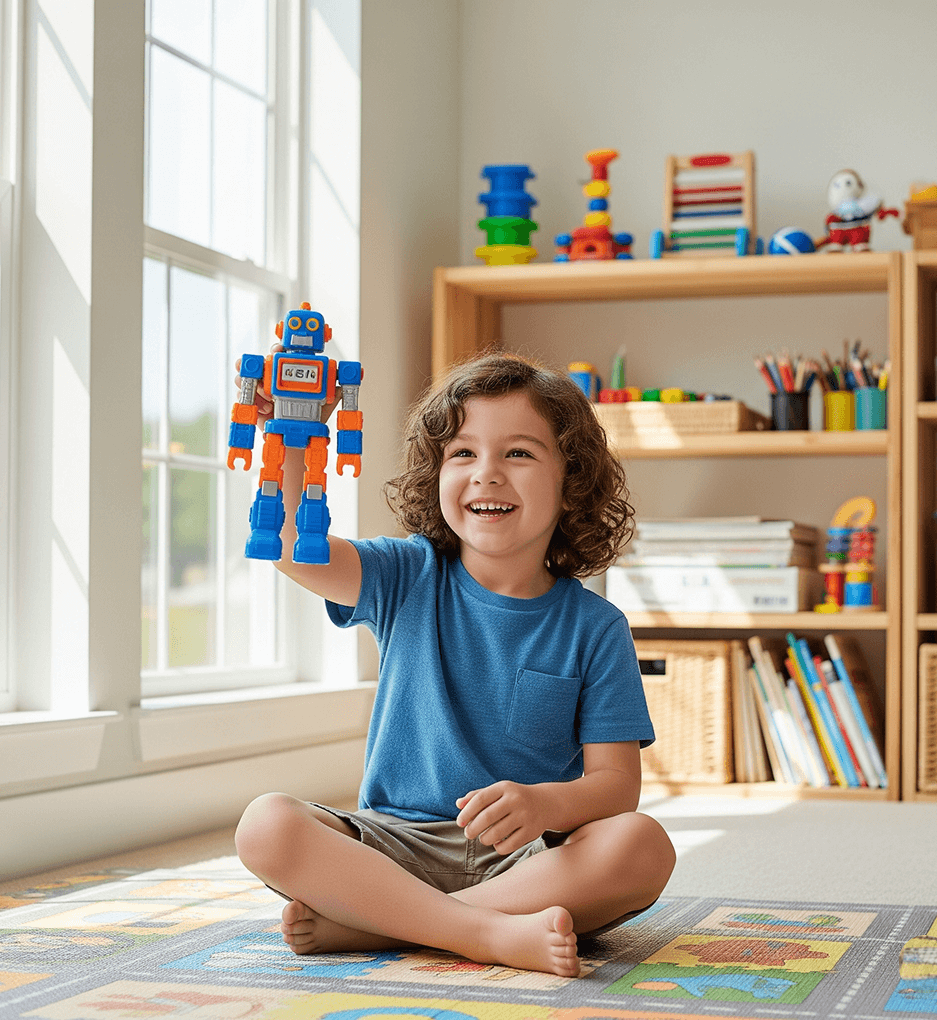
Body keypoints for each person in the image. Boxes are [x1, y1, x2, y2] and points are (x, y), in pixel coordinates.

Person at [233, 350, 676, 977]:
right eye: (463, 454)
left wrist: (544, 806)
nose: (487, 474)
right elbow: (285, 545)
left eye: (518, 454)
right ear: (436, 475)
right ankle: (481, 933)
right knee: (265, 825)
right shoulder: (405, 574)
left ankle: (380, 923)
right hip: (390, 848)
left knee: (642, 846)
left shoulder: (597, 627)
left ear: (571, 480)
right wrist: (295, 433)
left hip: (524, 860)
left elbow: (615, 786)